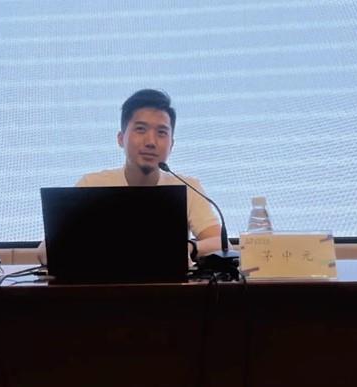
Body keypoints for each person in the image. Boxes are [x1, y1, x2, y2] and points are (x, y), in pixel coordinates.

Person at [38, 89, 221, 264]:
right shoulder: (92, 185)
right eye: (141, 129)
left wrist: (187, 247)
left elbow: (220, 242)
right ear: (121, 138)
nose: (151, 142)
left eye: (161, 133)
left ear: (171, 145)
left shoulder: (187, 187)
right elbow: (45, 252)